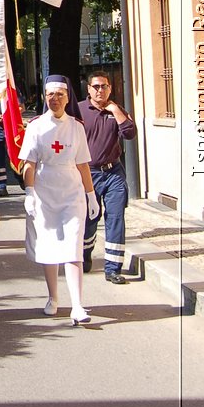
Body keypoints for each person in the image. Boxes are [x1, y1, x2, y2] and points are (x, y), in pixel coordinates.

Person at [20, 74, 99, 325]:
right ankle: (53, 297)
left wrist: (91, 194)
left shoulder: (77, 127)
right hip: (45, 191)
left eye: (60, 95)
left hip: (71, 191)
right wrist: (30, 192)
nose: (55, 99)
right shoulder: (35, 126)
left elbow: (83, 163)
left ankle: (77, 305)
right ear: (45, 97)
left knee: (73, 245)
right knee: (50, 245)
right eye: (50, 95)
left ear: (68, 98)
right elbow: (29, 163)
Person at [79, 71, 137, 284]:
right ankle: (85, 254)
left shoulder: (117, 110)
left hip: (113, 173)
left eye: (104, 86)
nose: (100, 90)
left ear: (110, 88)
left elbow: (130, 134)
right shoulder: (79, 110)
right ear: (89, 89)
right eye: (96, 86)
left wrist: (115, 110)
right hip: (88, 174)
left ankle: (112, 268)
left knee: (115, 219)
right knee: (89, 219)